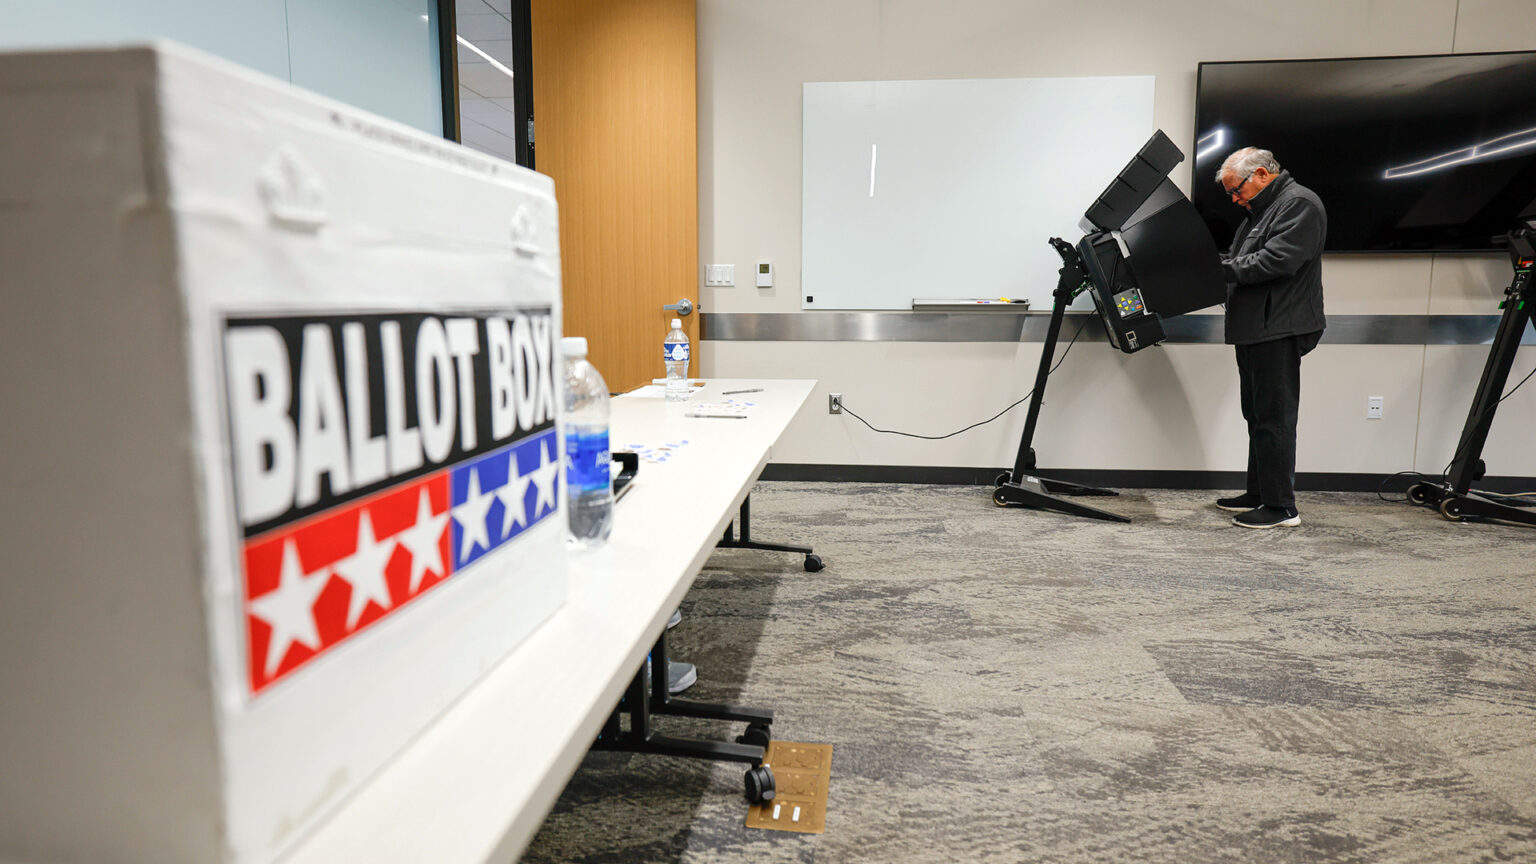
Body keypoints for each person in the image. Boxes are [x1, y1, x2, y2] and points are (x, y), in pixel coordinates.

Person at [1213, 147, 1326, 529]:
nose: (1234, 198)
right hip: (1257, 327)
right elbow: (1238, 259)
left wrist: (1217, 270)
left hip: (1279, 326)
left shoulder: (1300, 204)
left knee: (1274, 418)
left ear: (1261, 174)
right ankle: (1259, 492)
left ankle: (1281, 508)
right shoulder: (1261, 211)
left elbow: (1278, 260)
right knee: (1257, 414)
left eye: (1236, 189)